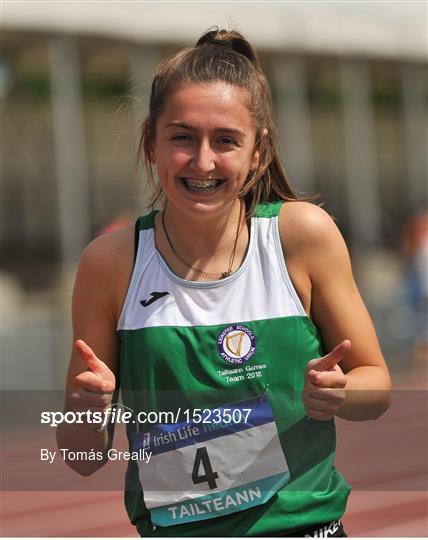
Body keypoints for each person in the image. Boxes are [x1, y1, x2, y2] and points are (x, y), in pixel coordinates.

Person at [57, 28, 392, 537]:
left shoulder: (300, 236)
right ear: (151, 143)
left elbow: (378, 384)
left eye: (226, 141)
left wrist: (340, 393)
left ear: (258, 152)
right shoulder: (110, 264)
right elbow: (81, 457)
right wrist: (87, 413)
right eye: (182, 137)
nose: (204, 161)